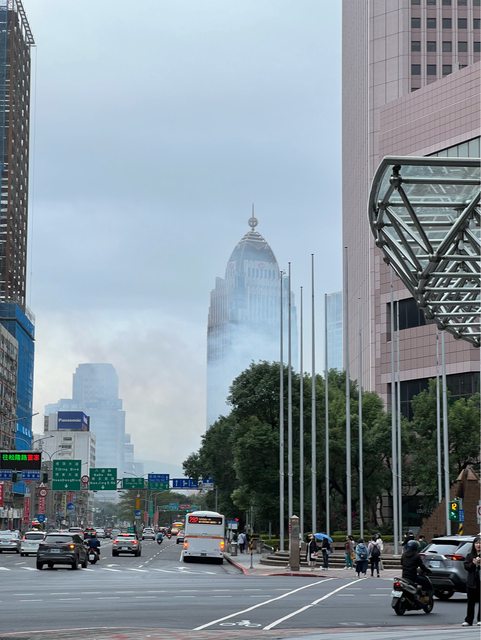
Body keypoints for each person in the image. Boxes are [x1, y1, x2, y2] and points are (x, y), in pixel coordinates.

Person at [462, 535, 481, 627]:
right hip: (472, 582)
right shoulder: (470, 556)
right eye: (477, 543)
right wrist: (473, 563)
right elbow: (467, 567)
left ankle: (480, 619)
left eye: (480, 543)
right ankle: (468, 620)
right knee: (470, 602)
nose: (478, 545)